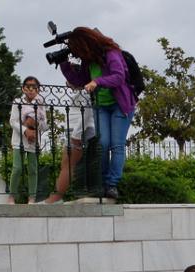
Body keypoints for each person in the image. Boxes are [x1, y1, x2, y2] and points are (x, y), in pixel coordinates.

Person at [58, 26, 137, 199]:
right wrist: (64, 64)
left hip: (120, 105)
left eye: (79, 50)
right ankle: (101, 183)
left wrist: (98, 81)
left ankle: (111, 184)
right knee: (102, 144)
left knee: (116, 145)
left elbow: (119, 77)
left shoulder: (111, 53)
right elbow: (79, 80)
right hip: (101, 106)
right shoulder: (89, 60)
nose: (78, 55)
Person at [45, 85, 96, 203]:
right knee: (68, 165)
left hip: (79, 131)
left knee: (68, 165)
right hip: (75, 130)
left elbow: (87, 112)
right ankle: (58, 197)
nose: (67, 81)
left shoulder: (85, 90)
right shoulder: (81, 90)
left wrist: (76, 134)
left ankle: (56, 198)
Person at [8, 76, 47, 204]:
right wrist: (26, 130)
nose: (31, 90)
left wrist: (35, 126)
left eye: (34, 87)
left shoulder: (40, 104)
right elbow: (13, 121)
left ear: (38, 89)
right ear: (23, 88)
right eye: (28, 87)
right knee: (17, 168)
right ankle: (12, 196)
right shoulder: (17, 102)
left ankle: (32, 197)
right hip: (19, 139)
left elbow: (45, 124)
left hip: (34, 140)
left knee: (33, 169)